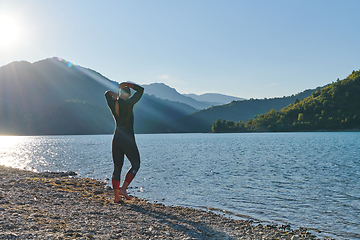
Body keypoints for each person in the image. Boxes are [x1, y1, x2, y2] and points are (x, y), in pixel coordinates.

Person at [105, 82, 144, 203]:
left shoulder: (112, 103)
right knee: (136, 164)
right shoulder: (128, 103)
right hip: (127, 139)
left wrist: (113, 94)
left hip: (116, 138)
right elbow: (141, 90)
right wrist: (127, 84)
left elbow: (106, 94)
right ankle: (123, 189)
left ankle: (117, 197)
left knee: (117, 167)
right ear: (127, 95)